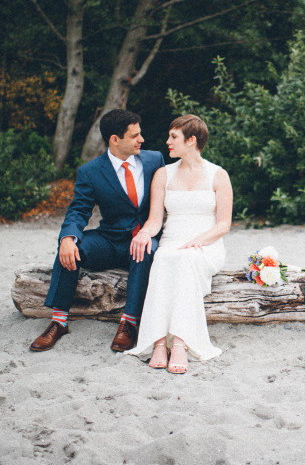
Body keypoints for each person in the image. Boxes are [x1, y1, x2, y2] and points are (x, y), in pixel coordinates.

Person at [29, 109, 165, 352]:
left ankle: (129, 323)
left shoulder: (154, 160)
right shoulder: (90, 172)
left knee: (145, 250)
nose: (141, 139)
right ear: (115, 139)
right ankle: (59, 322)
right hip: (110, 239)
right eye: (135, 136)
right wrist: (67, 238)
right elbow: (79, 210)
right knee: (71, 249)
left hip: (145, 237)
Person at [125, 114, 233, 374]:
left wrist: (197, 241)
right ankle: (159, 343)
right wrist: (143, 234)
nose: (168, 142)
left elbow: (223, 225)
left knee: (185, 260)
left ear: (191, 140)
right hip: (172, 242)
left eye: (173, 137)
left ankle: (181, 343)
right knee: (162, 258)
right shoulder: (163, 174)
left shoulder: (218, 175)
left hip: (206, 245)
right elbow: (153, 221)